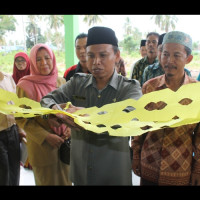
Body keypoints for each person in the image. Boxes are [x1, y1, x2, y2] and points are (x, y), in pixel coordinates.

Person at [40, 26, 142, 185]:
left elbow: (129, 114)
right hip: (82, 173)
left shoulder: (129, 87)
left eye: (103, 55)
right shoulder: (77, 82)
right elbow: (47, 99)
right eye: (90, 56)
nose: (96, 62)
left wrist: (89, 116)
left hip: (113, 174)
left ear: (116, 55)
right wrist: (54, 112)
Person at [132, 31, 200, 186]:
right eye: (165, 54)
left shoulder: (197, 92)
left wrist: (198, 169)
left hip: (180, 170)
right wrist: (136, 155)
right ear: (159, 55)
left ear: (188, 59)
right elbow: (139, 126)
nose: (169, 60)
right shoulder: (149, 87)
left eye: (176, 55)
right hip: (149, 166)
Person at [16, 43, 71, 186]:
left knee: (66, 181)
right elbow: (22, 119)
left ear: (53, 59)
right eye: (38, 59)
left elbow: (69, 109)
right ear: (33, 62)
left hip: (65, 146)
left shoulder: (61, 81)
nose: (44, 63)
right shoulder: (24, 86)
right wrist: (46, 136)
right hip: (42, 149)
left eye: (47, 58)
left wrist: (69, 128)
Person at [0, 71, 22, 185]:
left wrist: (20, 129)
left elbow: (16, 105)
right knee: (3, 172)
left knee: (15, 169)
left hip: (13, 130)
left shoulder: (8, 78)